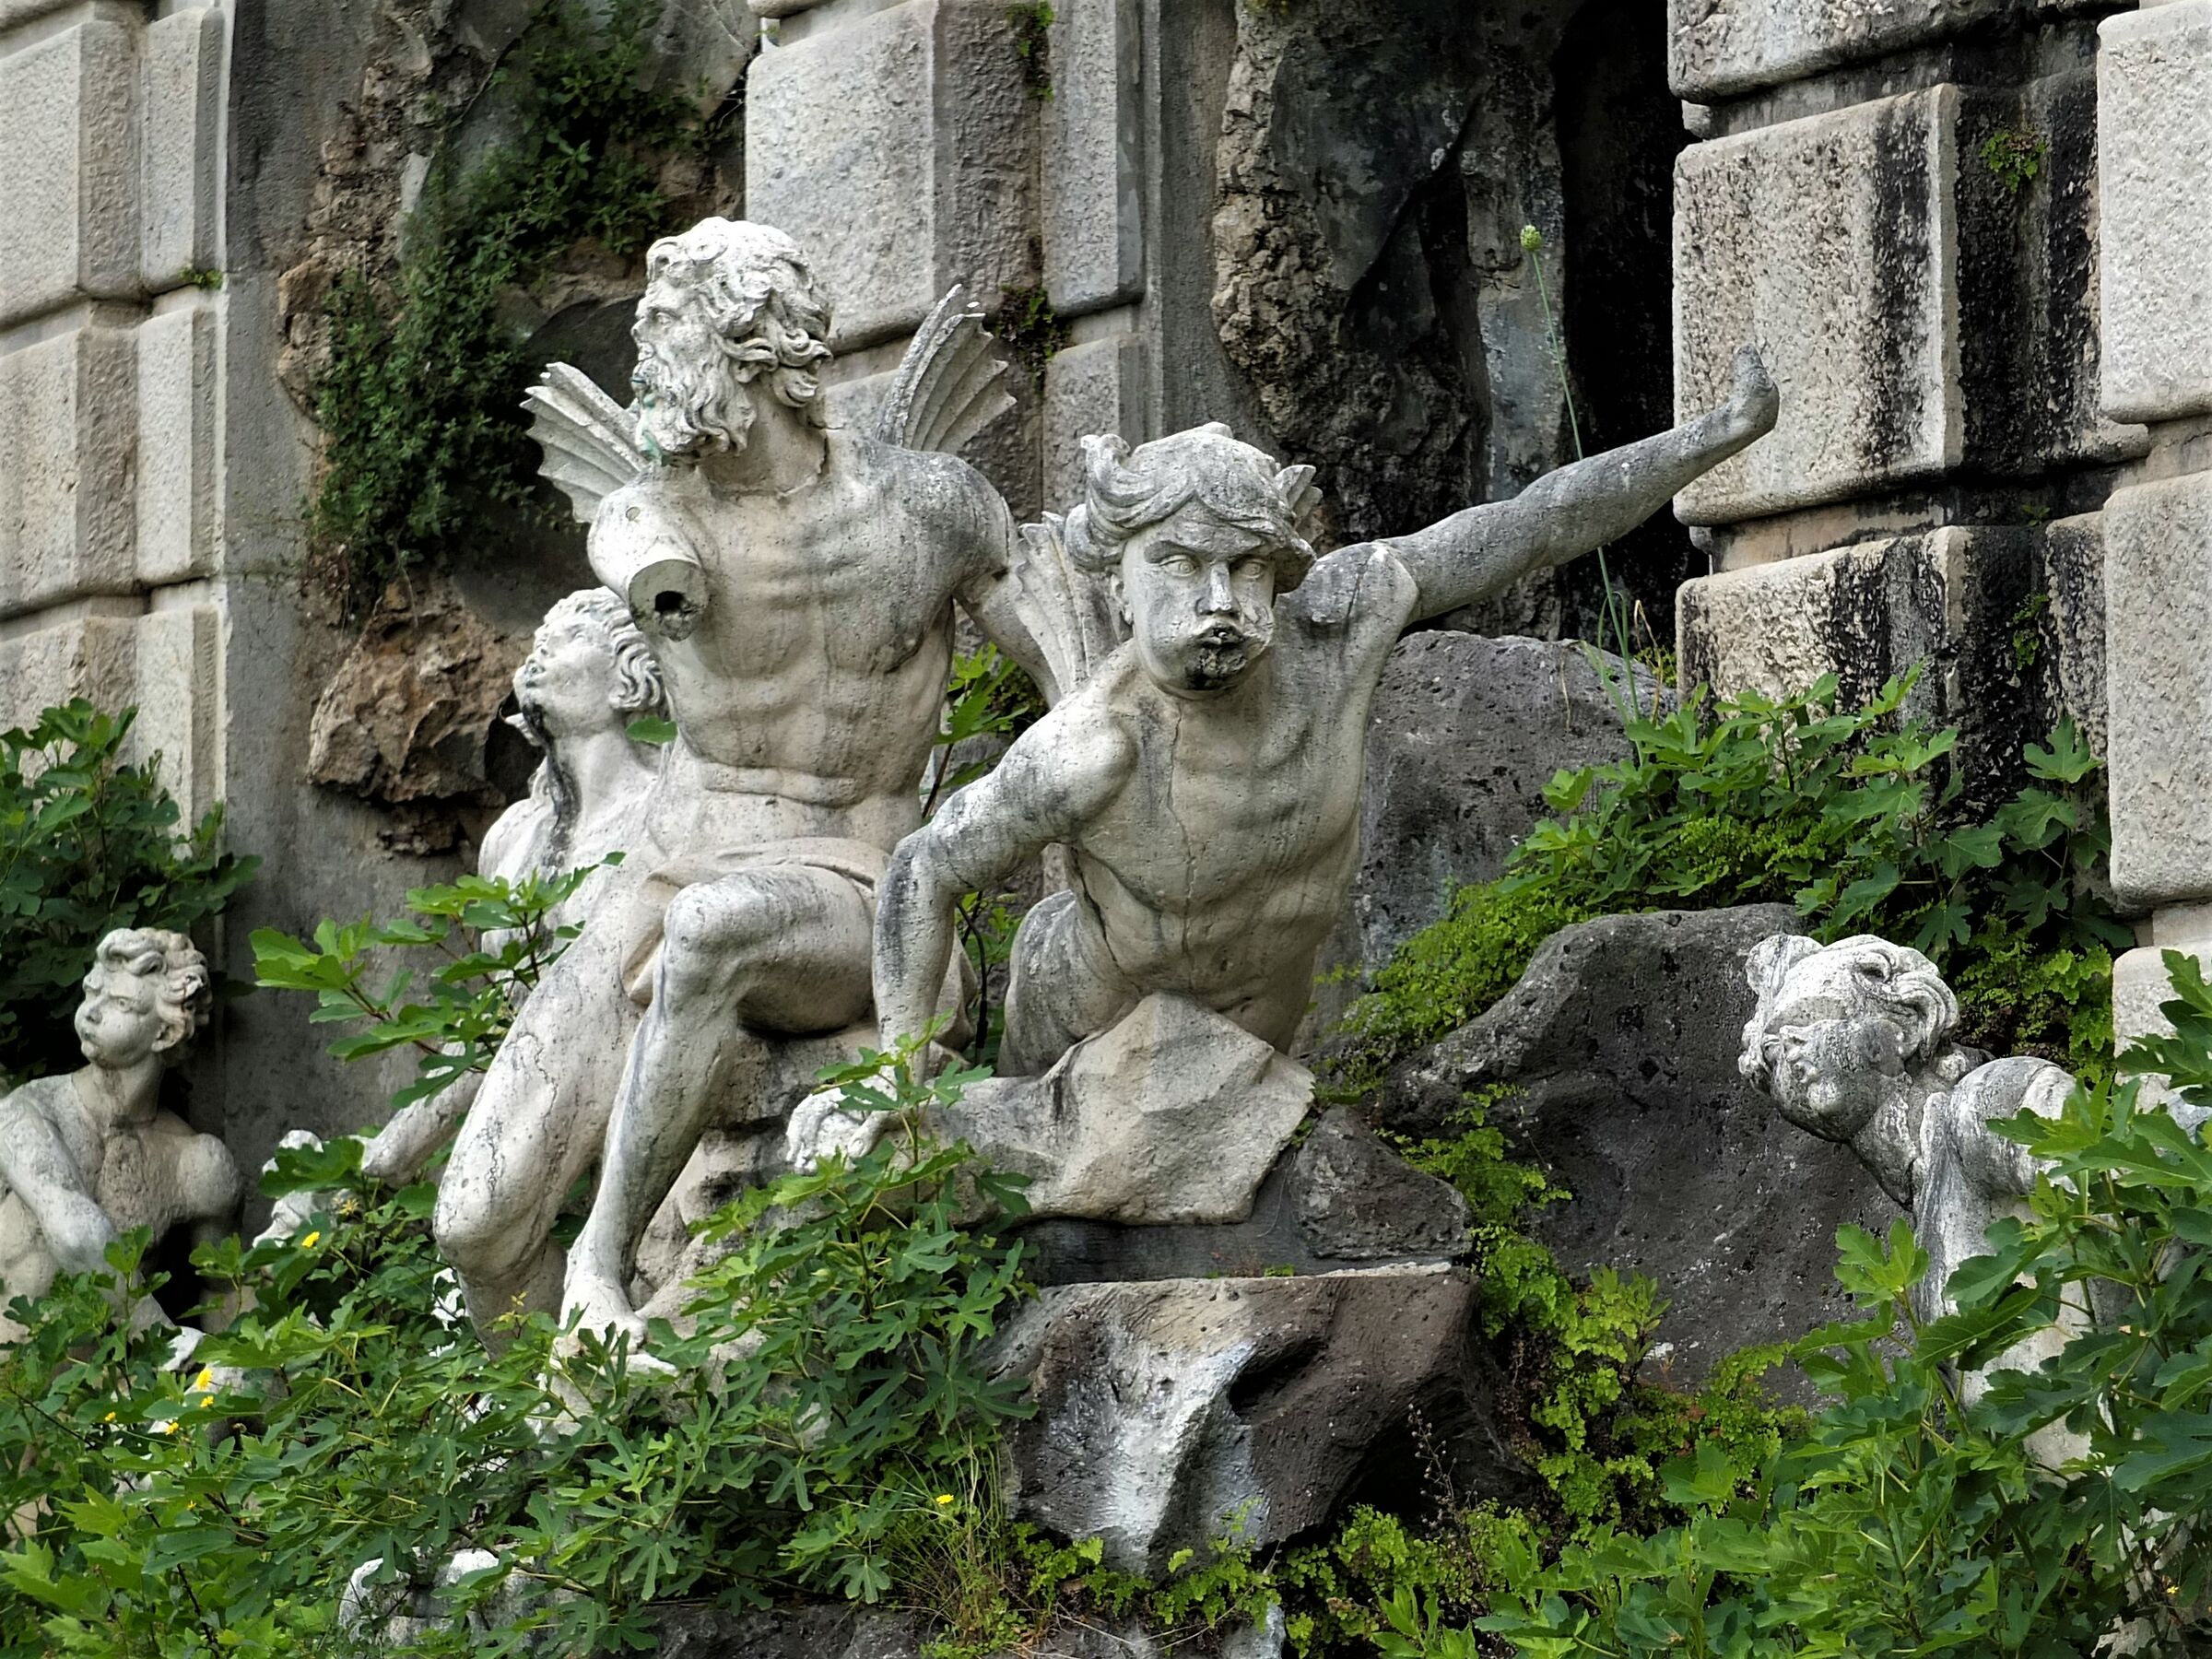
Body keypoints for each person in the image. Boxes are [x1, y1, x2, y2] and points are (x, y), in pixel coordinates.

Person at [435, 218, 1048, 1344]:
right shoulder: (654, 517)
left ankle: (601, 1267)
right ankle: (546, 1439)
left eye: (665, 336)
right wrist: (658, 581)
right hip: (662, 880)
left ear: (753, 345)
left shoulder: (931, 512)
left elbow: (1074, 686)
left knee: (716, 929)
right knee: (473, 1221)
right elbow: (636, 553)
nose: (646, 369)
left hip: (853, 887)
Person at [867, 349, 1781, 1086]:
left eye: (1249, 567)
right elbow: (923, 866)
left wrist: (1712, 437)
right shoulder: (1092, 748)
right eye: (1181, 565)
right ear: (1120, 575)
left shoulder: (1342, 621)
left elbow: (1533, 524)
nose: (1221, 601)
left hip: (1261, 1052)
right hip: (1091, 1038)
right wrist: (905, 1084)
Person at [0, 930, 238, 1339]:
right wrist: (168, 1346)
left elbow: (228, 1294)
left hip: (105, 1397)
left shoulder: (196, 1165)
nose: (90, 1013)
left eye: (120, 1004)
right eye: (92, 994)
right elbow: (74, 1232)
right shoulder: (29, 1110)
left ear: (165, 1033)